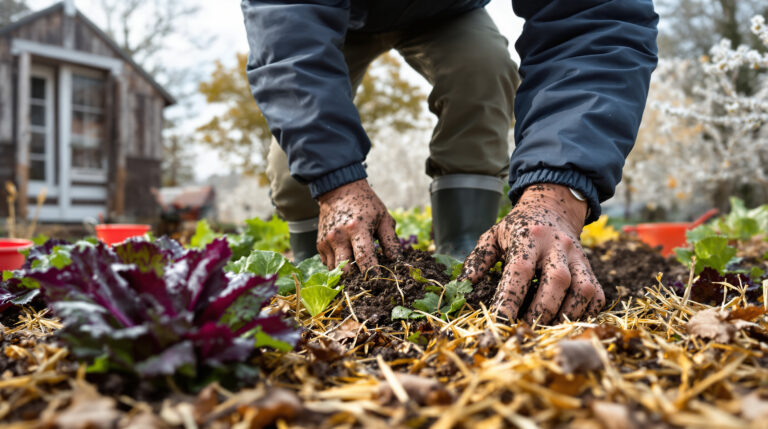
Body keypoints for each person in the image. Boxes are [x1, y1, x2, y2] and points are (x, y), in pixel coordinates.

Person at [241, 0, 658, 325]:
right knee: (292, 163)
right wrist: (334, 183)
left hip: (444, 11)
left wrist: (557, 196)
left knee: (483, 67)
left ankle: (459, 260)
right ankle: (317, 273)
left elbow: (595, 24)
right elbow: (288, 43)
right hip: (331, 18)